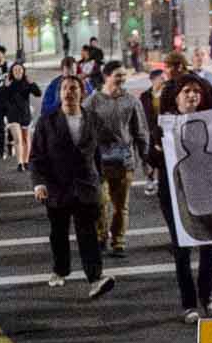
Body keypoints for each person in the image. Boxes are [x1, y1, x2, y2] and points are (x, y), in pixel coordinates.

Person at [30, 77, 116, 300]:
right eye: (65, 88)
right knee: (58, 233)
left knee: (87, 233)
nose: (69, 92)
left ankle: (95, 278)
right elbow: (37, 157)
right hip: (56, 187)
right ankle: (60, 269)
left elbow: (102, 147)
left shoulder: (93, 120)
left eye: (74, 88)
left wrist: (100, 179)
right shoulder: (47, 122)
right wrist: (39, 183)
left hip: (86, 186)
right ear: (59, 94)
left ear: (82, 93)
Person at [149, 76, 212, 321]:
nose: (193, 96)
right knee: (182, 248)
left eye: (197, 92)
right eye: (187, 91)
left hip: (204, 191)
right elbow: (151, 159)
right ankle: (189, 304)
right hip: (174, 193)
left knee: (209, 246)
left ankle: (207, 296)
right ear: (176, 96)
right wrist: (159, 149)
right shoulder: (163, 125)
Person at [83, 61, 150, 259]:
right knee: (100, 202)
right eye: (117, 75)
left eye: (123, 75)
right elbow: (83, 131)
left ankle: (118, 241)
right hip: (99, 161)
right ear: (106, 76)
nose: (121, 79)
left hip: (124, 161)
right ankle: (101, 236)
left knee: (121, 206)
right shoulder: (92, 101)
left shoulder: (131, 101)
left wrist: (145, 158)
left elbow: (141, 131)